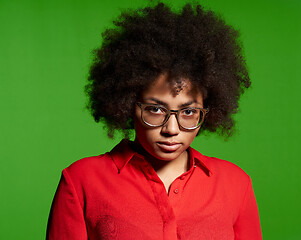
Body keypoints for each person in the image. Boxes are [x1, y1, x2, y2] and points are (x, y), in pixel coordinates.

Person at [47, 2, 262, 239]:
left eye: (188, 112)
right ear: (128, 104)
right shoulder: (81, 181)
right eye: (155, 110)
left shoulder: (236, 184)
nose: (171, 129)